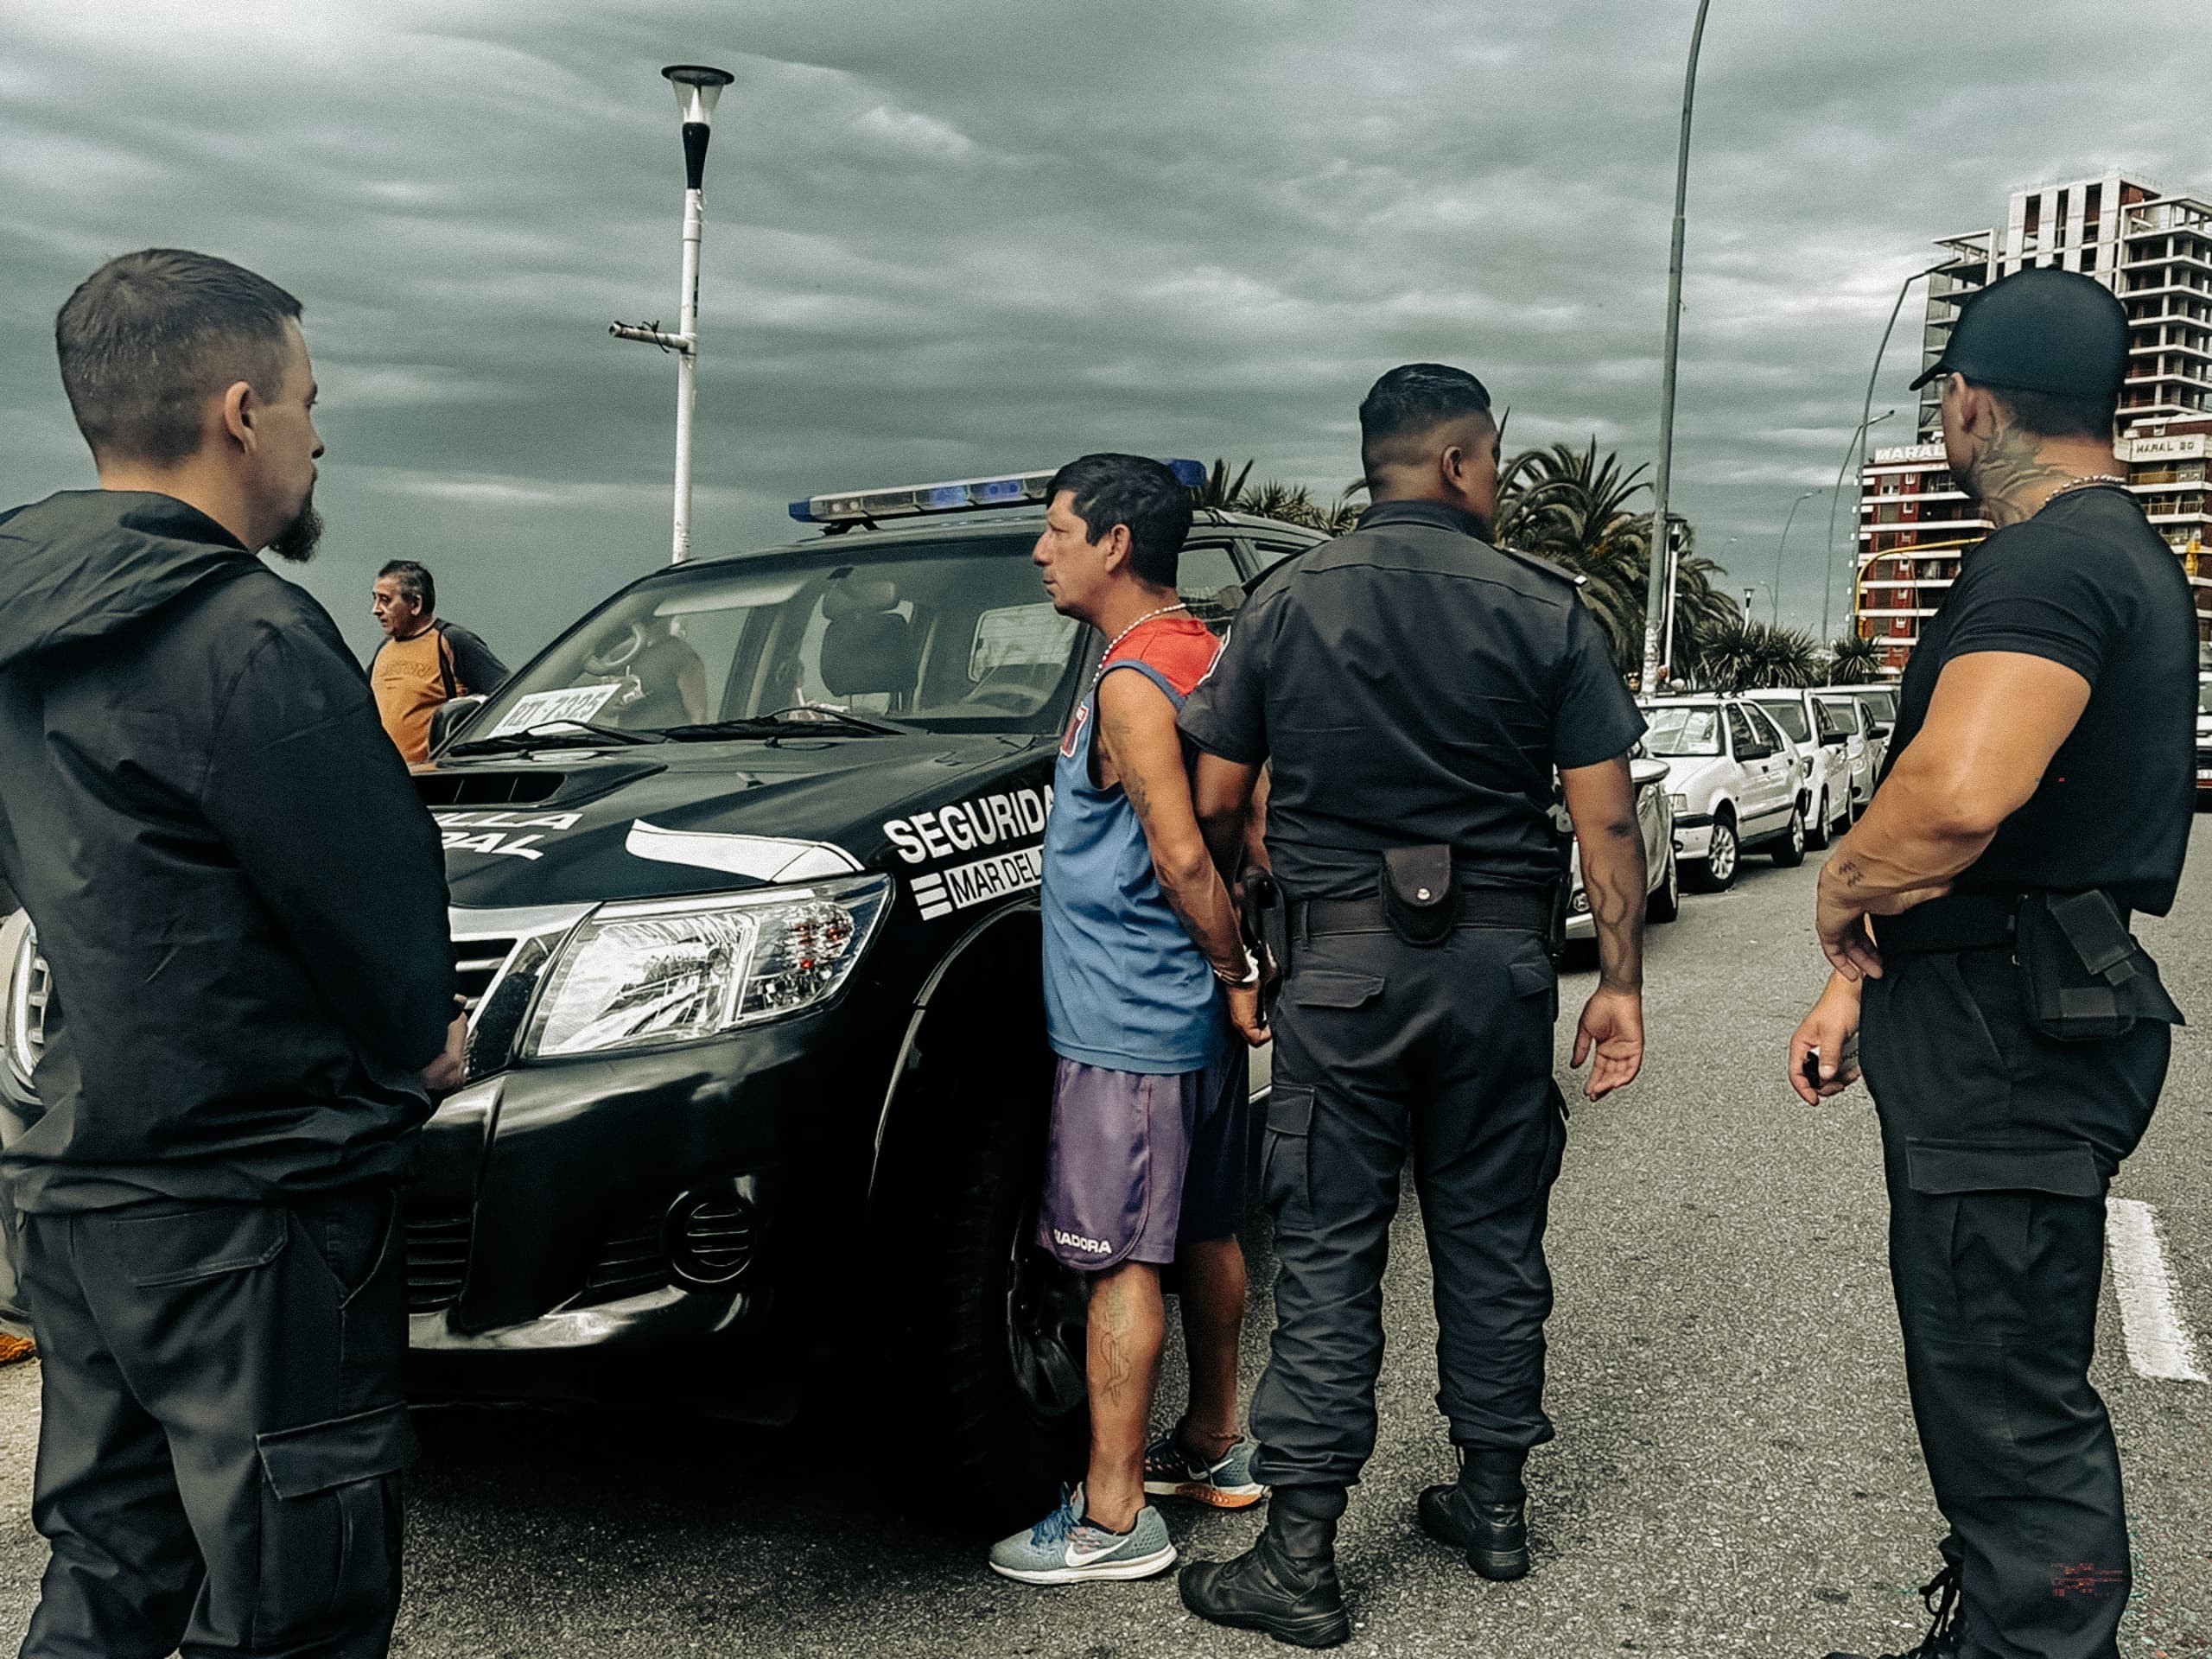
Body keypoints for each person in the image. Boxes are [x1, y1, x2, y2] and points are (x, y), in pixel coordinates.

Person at [0, 248, 465, 1659]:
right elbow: (378, 915)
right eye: (312, 404)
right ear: (242, 412)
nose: (321, 440)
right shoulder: (249, 632)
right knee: (292, 1601)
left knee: (112, 1565)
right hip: (255, 1207)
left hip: (82, 1190)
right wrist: (420, 1039)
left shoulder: (19, 620)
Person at [1173, 364, 1651, 1647]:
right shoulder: (1543, 607)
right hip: (1497, 974)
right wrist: (1618, 986)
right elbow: (1607, 823)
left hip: (1340, 975)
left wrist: (1250, 939)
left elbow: (1213, 802)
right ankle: (1492, 1508)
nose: (1496, 482)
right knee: (1493, 1240)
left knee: (1330, 1249)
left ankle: (1300, 1559)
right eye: (1491, 460)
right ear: (1455, 461)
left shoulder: (1284, 602)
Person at [1791, 268, 2192, 1659]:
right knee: (1987, 1373)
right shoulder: (2108, 549)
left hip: (2004, 1034)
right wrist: (1859, 980)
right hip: (2011, 1000)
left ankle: (2036, 1642)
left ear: (1972, 404)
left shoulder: (2051, 559)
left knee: (2009, 1397)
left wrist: (1840, 891)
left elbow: (1959, 798)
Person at [986, 454, 1272, 1586]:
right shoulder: (1205, 653)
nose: (1040, 551)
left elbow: (1180, 855)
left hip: (1131, 1021)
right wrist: (1235, 973)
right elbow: (1250, 825)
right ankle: (1212, 1443)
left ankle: (1111, 1519)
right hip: (1188, 1015)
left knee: (1117, 1263)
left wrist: (1234, 964)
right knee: (1206, 1231)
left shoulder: (1133, 682)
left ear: (1114, 544)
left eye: (1058, 531)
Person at [369, 557, 509, 761]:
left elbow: (506, 695)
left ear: (415, 604)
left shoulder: (451, 641)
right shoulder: (384, 649)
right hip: (384, 774)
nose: (376, 609)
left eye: (385, 600)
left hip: (431, 775)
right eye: (375, 599)